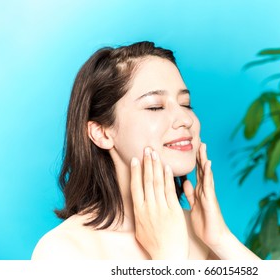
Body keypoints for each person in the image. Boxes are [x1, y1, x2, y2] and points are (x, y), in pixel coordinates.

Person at [32, 41, 260, 260]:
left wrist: (221, 239)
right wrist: (168, 257)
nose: (185, 119)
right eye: (155, 106)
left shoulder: (200, 235)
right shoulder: (63, 251)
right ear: (102, 133)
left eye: (185, 104)